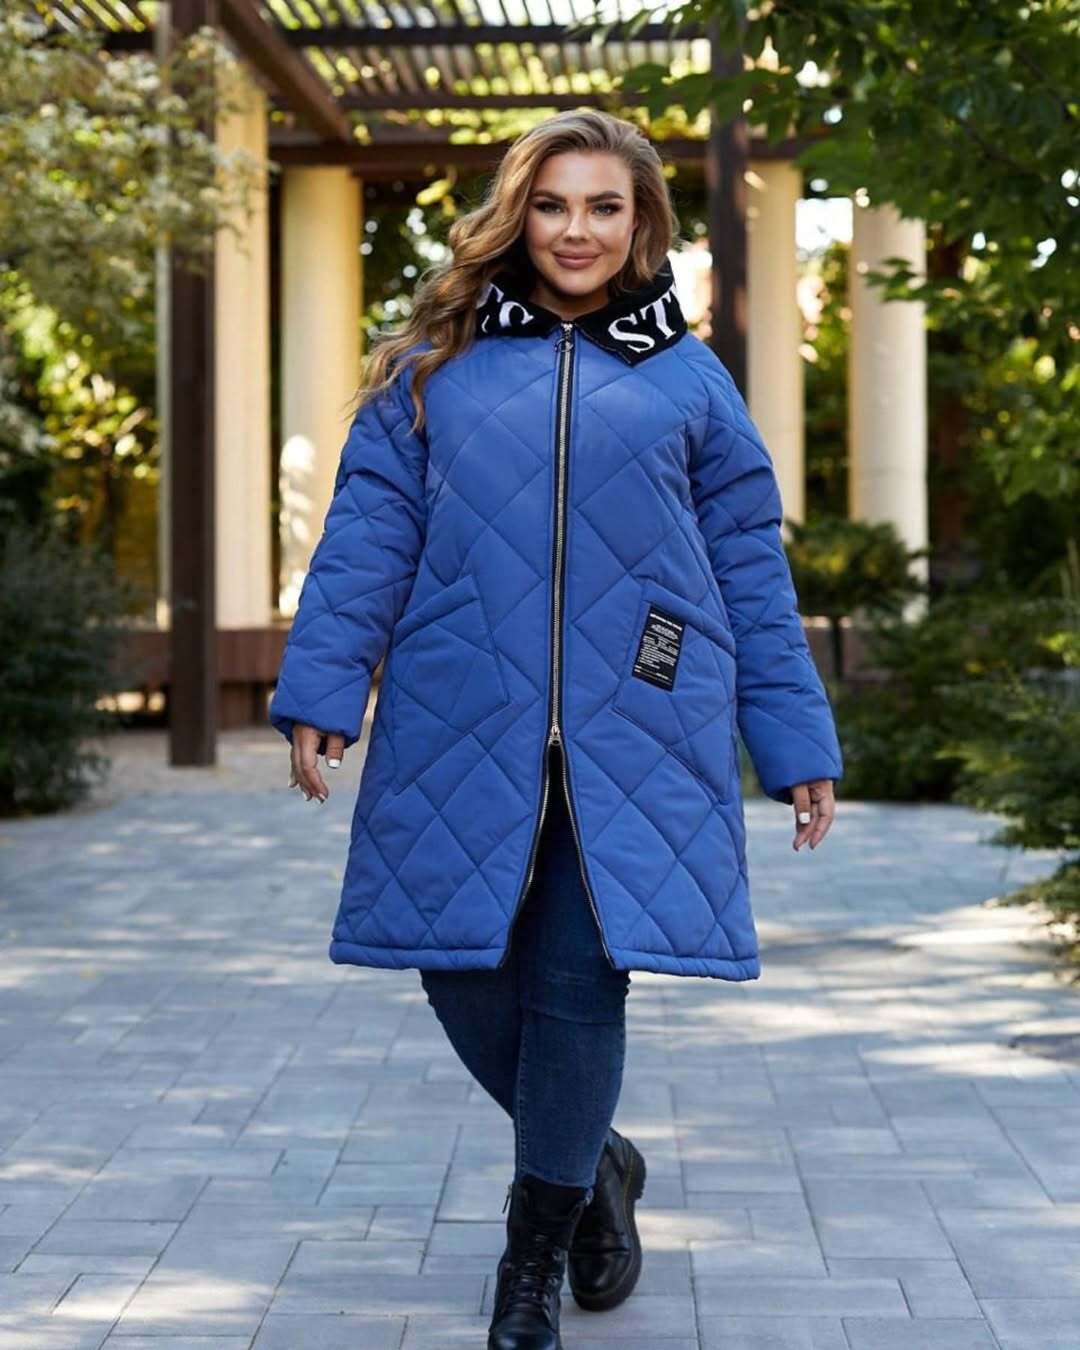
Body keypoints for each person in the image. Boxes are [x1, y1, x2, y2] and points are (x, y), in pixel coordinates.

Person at [269, 108, 843, 1350]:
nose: (576, 230)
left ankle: (531, 1262)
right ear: (516, 215)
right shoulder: (435, 366)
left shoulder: (689, 378)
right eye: (552, 204)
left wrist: (794, 738)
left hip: (641, 724)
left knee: (581, 981)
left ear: (642, 225)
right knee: (458, 972)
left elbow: (749, 566)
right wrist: (324, 687)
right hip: (458, 715)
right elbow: (367, 535)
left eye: (604, 207)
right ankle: (597, 1155)